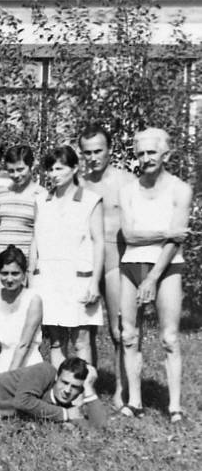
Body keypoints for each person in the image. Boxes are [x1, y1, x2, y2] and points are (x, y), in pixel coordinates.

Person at [118, 127, 192, 422]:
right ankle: (134, 402)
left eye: (152, 152)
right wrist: (164, 231)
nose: (146, 158)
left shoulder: (180, 189)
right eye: (140, 153)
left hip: (167, 268)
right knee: (128, 336)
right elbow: (130, 234)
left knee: (170, 338)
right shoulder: (128, 190)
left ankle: (174, 406)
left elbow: (177, 242)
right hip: (131, 265)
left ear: (166, 154)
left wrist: (152, 278)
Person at [78, 123, 135, 410]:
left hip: (116, 261)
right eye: (87, 152)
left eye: (98, 151)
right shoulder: (79, 183)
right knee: (84, 331)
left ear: (110, 150)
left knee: (119, 329)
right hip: (87, 262)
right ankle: (86, 389)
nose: (93, 157)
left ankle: (122, 391)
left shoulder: (126, 182)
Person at [32, 146, 103, 368]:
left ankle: (85, 393)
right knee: (56, 340)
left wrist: (94, 283)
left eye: (59, 168)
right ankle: (58, 392)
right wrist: (31, 276)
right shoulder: (42, 201)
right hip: (49, 278)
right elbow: (35, 239)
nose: (54, 174)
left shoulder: (91, 200)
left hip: (79, 278)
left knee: (81, 341)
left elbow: (99, 241)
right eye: (50, 169)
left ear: (74, 168)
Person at [0, 145, 46, 282]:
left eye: (20, 169)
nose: (16, 175)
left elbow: (39, 238)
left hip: (23, 268)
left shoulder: (42, 195)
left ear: (32, 165)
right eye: (11, 171)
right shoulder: (1, 194)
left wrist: (31, 269)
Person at [0, 246, 44, 373]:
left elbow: (24, 344)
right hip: (2, 363)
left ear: (24, 273)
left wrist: (8, 378)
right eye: (4, 273)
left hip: (28, 365)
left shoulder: (33, 299)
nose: (9, 279)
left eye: (15, 273)